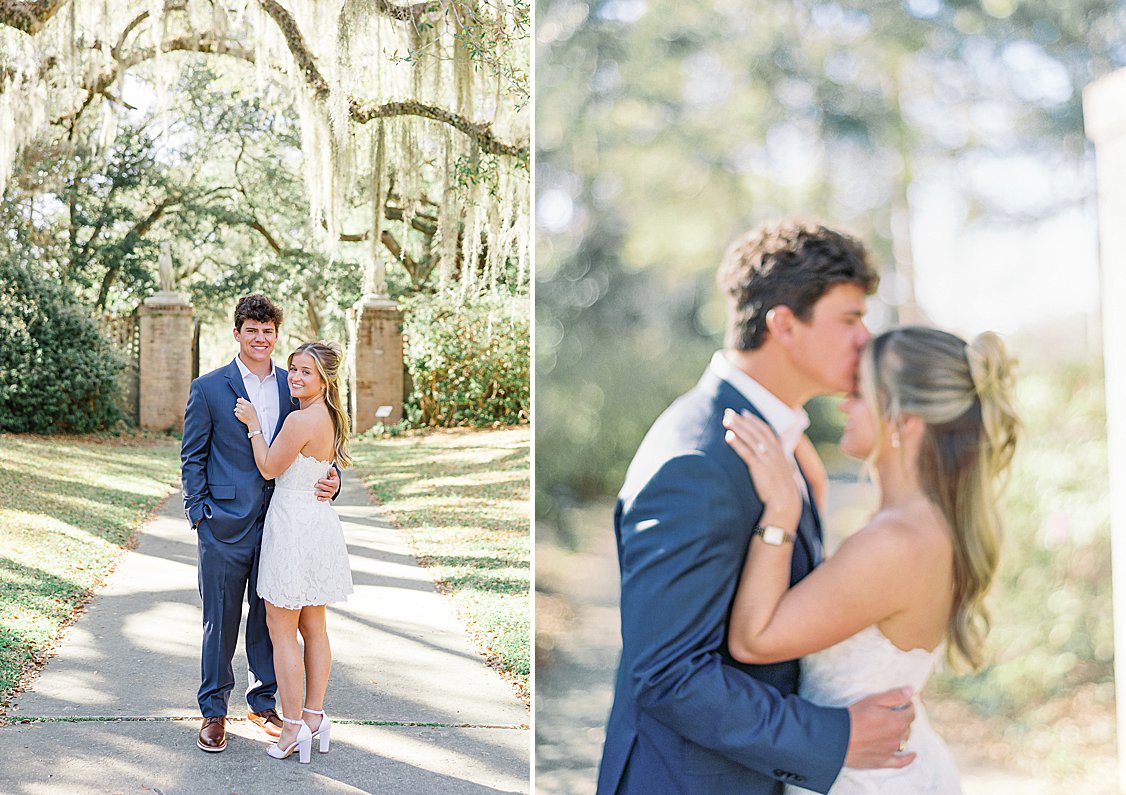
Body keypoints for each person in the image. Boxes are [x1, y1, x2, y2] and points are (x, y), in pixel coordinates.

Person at [597, 220, 917, 795]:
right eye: (849, 319)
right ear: (785, 325)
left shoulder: (777, 441)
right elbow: (668, 675)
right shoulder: (697, 461)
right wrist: (834, 736)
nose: (865, 339)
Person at [723, 326, 1019, 794]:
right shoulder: (926, 523)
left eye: (860, 391)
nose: (844, 402)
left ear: (904, 421)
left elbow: (753, 640)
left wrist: (781, 513)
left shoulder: (896, 543)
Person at [181, 294, 339, 753]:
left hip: (282, 525)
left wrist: (334, 478)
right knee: (221, 621)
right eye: (252, 329)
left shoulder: (294, 388)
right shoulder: (210, 387)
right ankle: (213, 711)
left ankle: (264, 702)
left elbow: (318, 447)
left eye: (268, 330)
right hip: (224, 526)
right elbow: (192, 456)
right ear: (237, 334)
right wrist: (199, 514)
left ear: (275, 335)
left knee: (274, 622)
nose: (260, 337)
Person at [233, 340, 355, 763]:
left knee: (282, 630)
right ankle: (314, 716)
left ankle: (290, 729)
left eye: (305, 371)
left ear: (324, 379)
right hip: (317, 526)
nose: (295, 377)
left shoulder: (301, 419)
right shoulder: (331, 418)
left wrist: (252, 423)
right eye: (293, 369)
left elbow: (268, 466)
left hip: (291, 528)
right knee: (314, 627)